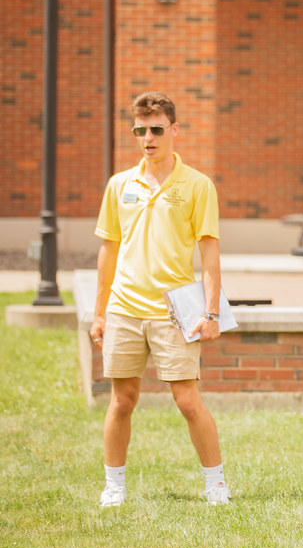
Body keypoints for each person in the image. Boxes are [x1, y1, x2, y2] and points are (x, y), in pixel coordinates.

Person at [90, 92, 230, 507]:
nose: (147, 137)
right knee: (122, 400)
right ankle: (114, 485)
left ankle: (216, 483)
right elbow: (108, 252)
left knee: (188, 401)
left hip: (173, 312)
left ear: (174, 130)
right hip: (124, 310)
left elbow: (208, 253)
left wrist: (212, 312)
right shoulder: (119, 185)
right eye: (139, 130)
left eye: (155, 129)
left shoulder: (198, 185)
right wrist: (99, 314)